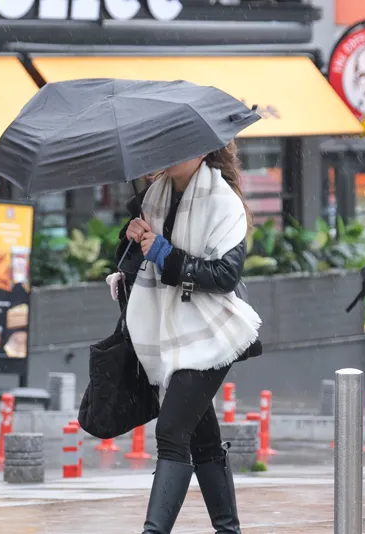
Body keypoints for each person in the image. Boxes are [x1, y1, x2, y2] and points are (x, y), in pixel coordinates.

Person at [109, 141, 262, 534]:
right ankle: (228, 529)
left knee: (171, 431)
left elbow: (225, 276)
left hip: (211, 333)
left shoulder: (223, 203)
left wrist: (168, 255)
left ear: (203, 151)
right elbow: (135, 267)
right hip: (168, 330)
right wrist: (132, 240)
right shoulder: (152, 198)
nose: (170, 151)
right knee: (202, 439)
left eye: (182, 144)